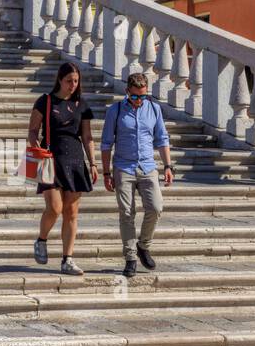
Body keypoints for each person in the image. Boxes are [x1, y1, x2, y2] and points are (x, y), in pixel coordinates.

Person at [101, 72, 173, 277]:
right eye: (135, 97)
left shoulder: (154, 109)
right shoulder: (115, 111)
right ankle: (131, 257)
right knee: (126, 212)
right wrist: (106, 172)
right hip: (123, 167)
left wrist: (168, 166)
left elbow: (162, 138)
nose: (139, 101)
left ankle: (143, 245)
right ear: (127, 92)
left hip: (148, 167)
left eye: (143, 96)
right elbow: (106, 144)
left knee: (156, 207)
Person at [29, 62, 96, 276]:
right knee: (55, 208)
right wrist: (34, 147)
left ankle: (68, 259)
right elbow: (32, 131)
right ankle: (41, 239)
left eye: (76, 81)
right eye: (69, 81)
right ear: (60, 79)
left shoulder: (82, 105)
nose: (72, 85)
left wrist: (93, 163)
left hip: (75, 160)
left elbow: (87, 137)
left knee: (71, 212)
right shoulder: (45, 101)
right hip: (50, 159)